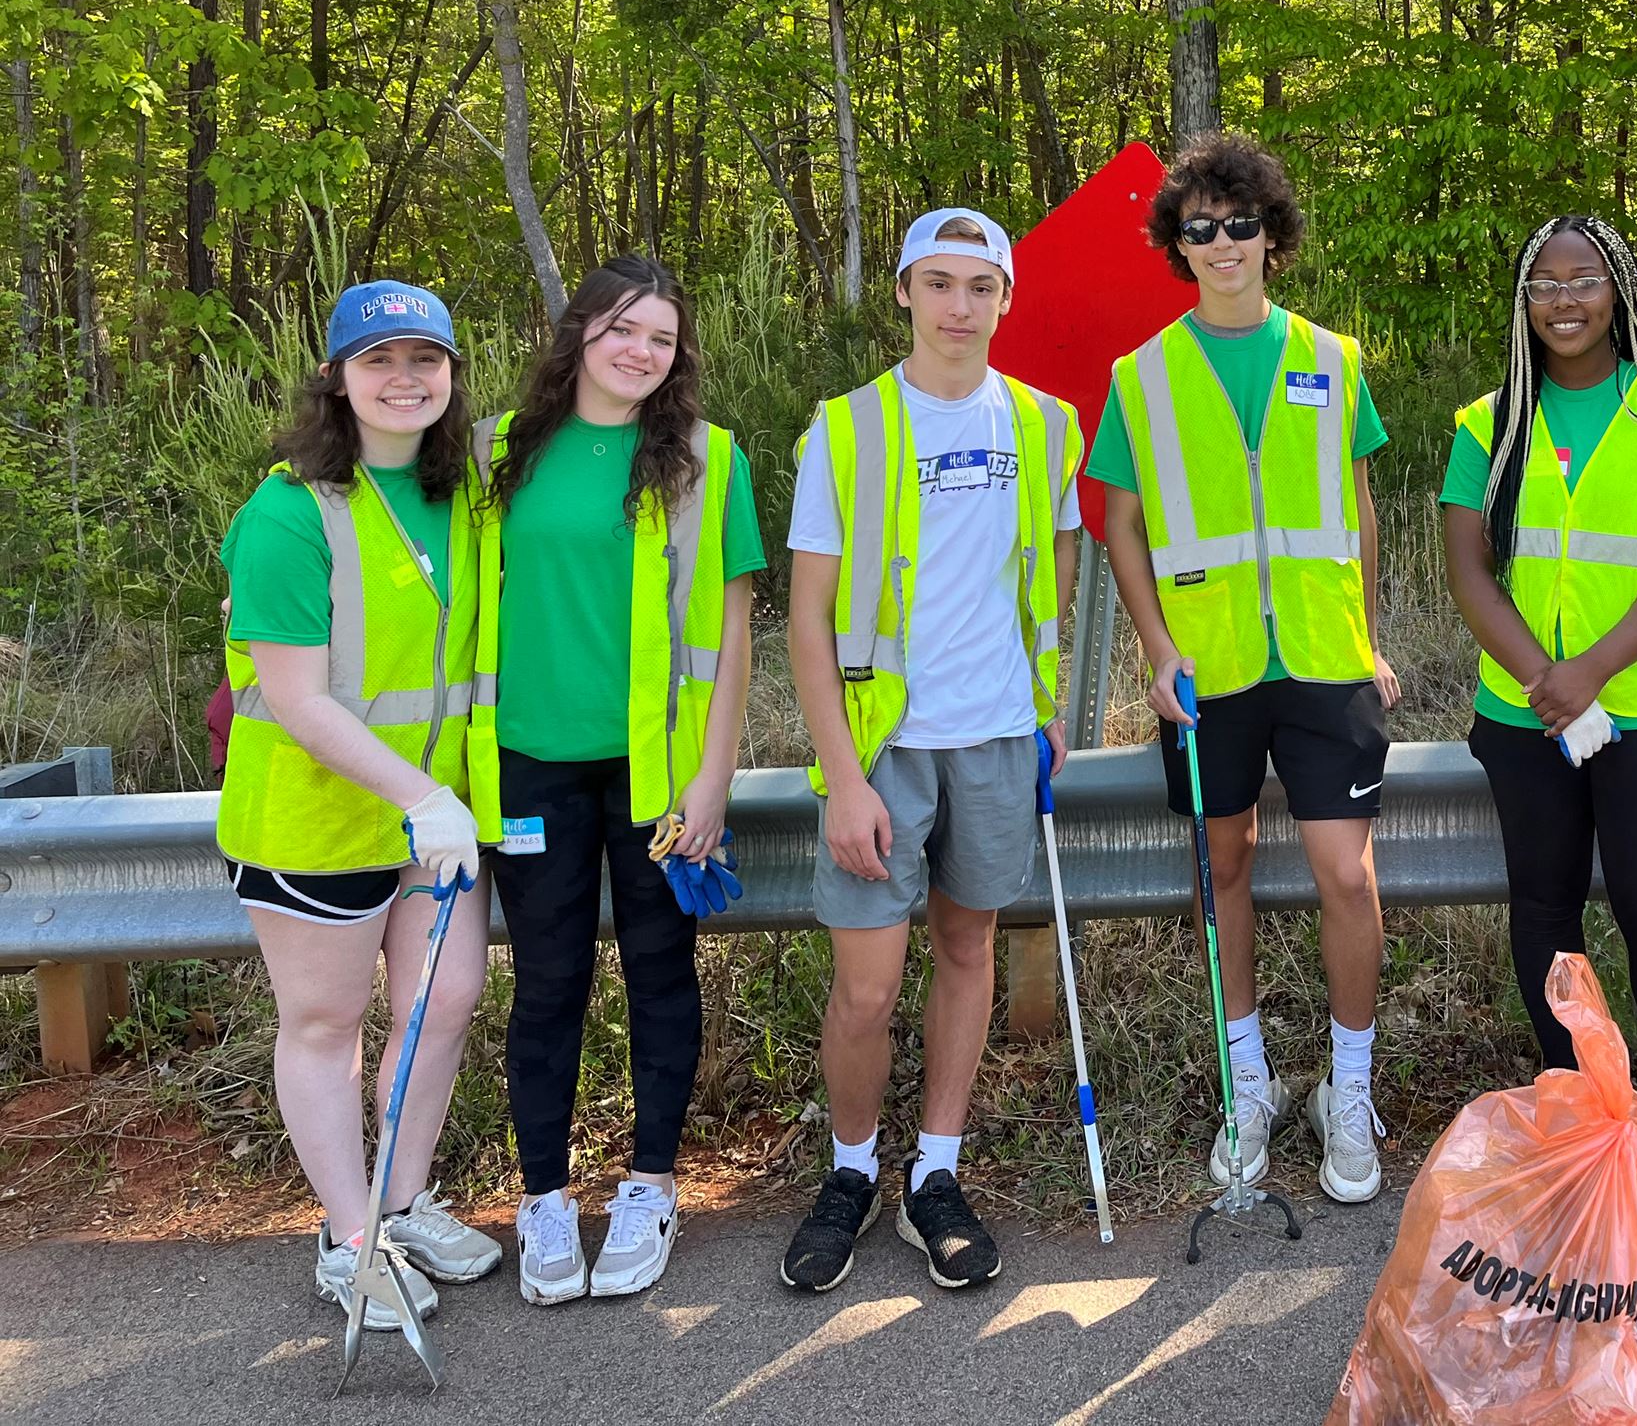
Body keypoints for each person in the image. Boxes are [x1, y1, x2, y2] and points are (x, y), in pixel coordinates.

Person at [1092, 134, 1400, 1206]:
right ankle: (1249, 1084)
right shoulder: (1140, 376)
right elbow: (1120, 527)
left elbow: (1357, 506)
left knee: (1343, 876)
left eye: (1239, 225)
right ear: (1178, 246)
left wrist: (1366, 634)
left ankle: (1345, 1094)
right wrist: (1155, 647)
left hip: (1320, 659)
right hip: (1207, 666)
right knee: (1221, 872)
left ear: (1272, 235)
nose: (1221, 244)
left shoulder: (1332, 354)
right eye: (1198, 229)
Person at [778, 210, 1082, 1295]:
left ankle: (934, 1177)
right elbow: (806, 620)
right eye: (939, 283)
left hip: (996, 739)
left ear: (1007, 298)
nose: (960, 306)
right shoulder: (844, 430)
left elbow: (1049, 574)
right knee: (864, 990)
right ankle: (851, 1171)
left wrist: (1046, 713)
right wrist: (843, 776)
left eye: (981, 286)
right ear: (904, 292)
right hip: (883, 750)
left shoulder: (1049, 427)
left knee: (967, 953)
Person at [466, 255, 764, 1305]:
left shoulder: (706, 459)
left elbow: (731, 645)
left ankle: (647, 1187)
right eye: (621, 330)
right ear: (578, 331)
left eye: (661, 337)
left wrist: (712, 785)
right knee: (547, 985)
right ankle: (543, 1200)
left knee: (659, 976)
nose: (640, 352)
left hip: (658, 784)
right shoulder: (496, 451)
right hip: (527, 769)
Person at [215, 280, 498, 1326]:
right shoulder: (288, 511)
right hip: (315, 819)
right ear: (336, 377)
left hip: (431, 820)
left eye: (426, 359)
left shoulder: (464, 492)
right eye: (380, 361)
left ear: (452, 375)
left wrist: (440, 799)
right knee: (327, 1026)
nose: (405, 378)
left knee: (447, 1002)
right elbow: (292, 696)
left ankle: (404, 1198)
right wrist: (424, 792)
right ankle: (347, 1239)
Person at [1438, 215, 1637, 1191]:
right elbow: (1467, 571)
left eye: (1584, 280)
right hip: (1524, 714)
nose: (1564, 300)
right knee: (1544, 909)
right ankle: (1571, 1099)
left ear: (1619, 294)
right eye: (1544, 285)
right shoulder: (1484, 424)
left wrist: (1591, 673)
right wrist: (1546, 682)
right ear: (1523, 304)